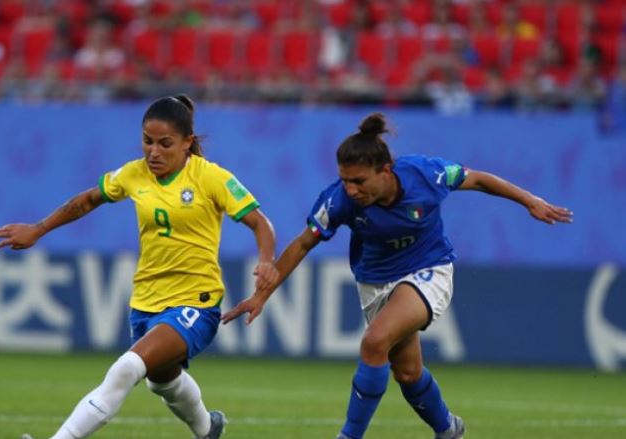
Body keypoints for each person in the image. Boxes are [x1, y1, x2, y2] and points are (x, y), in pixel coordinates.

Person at [222, 113, 573, 439]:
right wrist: (262, 295)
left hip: (428, 268)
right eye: (345, 181)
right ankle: (449, 429)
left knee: (374, 342)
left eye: (359, 181)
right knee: (406, 373)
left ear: (386, 170)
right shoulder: (338, 201)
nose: (351, 190)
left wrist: (529, 200)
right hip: (374, 282)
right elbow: (301, 245)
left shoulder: (425, 175)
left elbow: (478, 179)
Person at [0, 95, 279, 439]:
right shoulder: (133, 174)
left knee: (126, 368)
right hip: (145, 301)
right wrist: (39, 229)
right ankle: (207, 429)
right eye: (147, 141)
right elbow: (86, 201)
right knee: (163, 382)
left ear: (188, 142)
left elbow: (261, 223)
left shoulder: (211, 178)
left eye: (165, 143)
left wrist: (266, 261)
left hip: (195, 303)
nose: (153, 152)